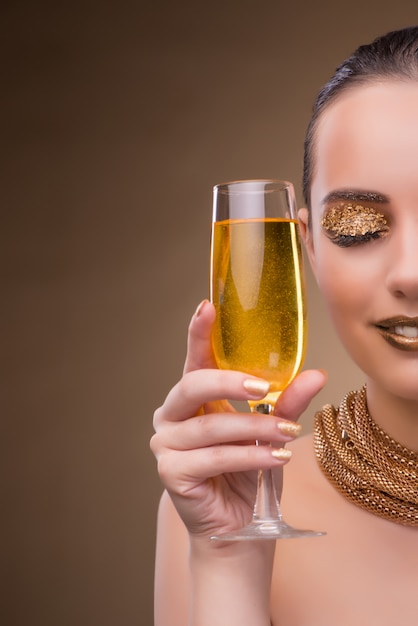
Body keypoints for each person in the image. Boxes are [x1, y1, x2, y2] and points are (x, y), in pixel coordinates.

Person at [150, 25, 418, 626]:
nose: (412, 272)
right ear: (309, 249)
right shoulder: (211, 504)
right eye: (357, 227)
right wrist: (227, 558)